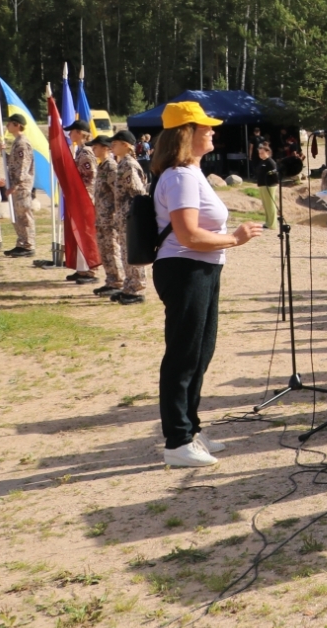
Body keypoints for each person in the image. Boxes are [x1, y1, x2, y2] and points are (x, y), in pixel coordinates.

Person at [151, 101, 264, 467]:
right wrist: (235, 238)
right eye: (205, 127)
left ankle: (191, 429)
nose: (213, 131)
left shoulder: (191, 173)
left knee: (200, 352)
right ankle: (177, 441)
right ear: (188, 133)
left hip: (201, 269)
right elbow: (188, 235)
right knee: (183, 355)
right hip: (185, 269)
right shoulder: (180, 176)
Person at [113, 131, 148, 303]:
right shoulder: (122, 163)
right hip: (123, 216)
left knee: (132, 253)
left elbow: (138, 192)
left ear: (126, 145)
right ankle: (129, 286)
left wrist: (132, 214)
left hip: (130, 216)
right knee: (125, 253)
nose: (112, 147)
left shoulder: (128, 164)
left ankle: (137, 289)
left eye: (115, 143)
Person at [66, 120, 99, 285]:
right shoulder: (80, 151)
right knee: (80, 231)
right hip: (80, 197)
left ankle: (90, 270)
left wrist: (78, 188)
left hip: (85, 197)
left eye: (71, 131)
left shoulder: (85, 152)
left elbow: (91, 175)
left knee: (86, 232)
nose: (69, 134)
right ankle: (82, 268)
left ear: (79, 132)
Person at [89, 135, 122, 297]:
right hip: (101, 216)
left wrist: (115, 215)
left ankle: (118, 280)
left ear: (104, 147)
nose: (93, 150)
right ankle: (110, 280)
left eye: (95, 147)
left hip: (110, 217)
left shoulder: (111, 167)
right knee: (104, 249)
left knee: (112, 249)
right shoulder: (102, 166)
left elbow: (118, 192)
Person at [3, 115, 36, 258]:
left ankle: (29, 245)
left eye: (9, 123)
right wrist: (4, 153)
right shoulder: (17, 142)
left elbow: (23, 166)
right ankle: (21, 243)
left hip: (21, 186)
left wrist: (15, 185)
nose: (6, 126)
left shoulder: (22, 143)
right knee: (18, 215)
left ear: (17, 125)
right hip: (17, 185)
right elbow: (14, 162)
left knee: (24, 216)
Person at [252, 140, 279, 231]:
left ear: (268, 152)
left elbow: (276, 174)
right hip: (262, 185)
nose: (261, 155)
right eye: (259, 153)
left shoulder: (270, 162)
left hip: (269, 185)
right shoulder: (261, 162)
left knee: (270, 204)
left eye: (262, 153)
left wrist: (274, 182)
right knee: (266, 205)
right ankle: (268, 222)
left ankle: (272, 224)